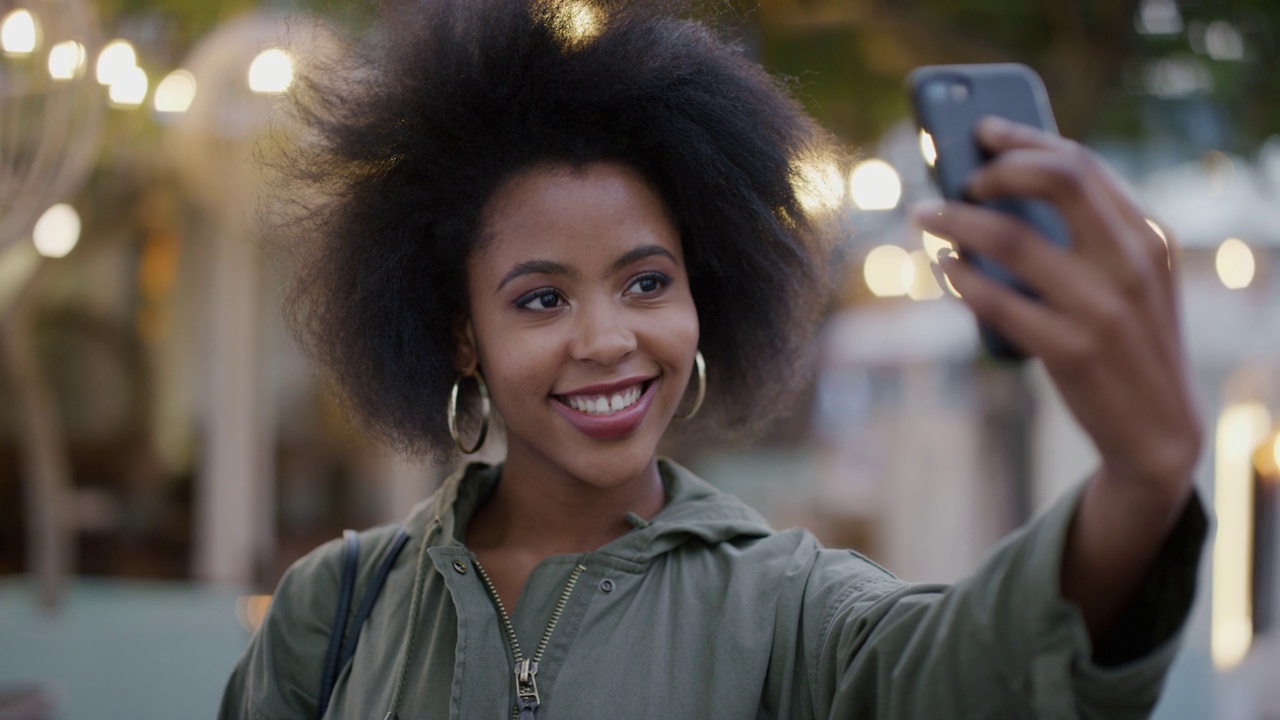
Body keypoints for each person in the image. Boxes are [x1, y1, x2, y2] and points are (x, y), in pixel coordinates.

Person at [220, 0, 1207, 717]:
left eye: (647, 282)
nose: (608, 339)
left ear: (707, 292)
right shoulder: (341, 606)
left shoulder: (790, 609)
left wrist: (1141, 477)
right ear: (461, 333)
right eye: (541, 298)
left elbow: (972, 671)